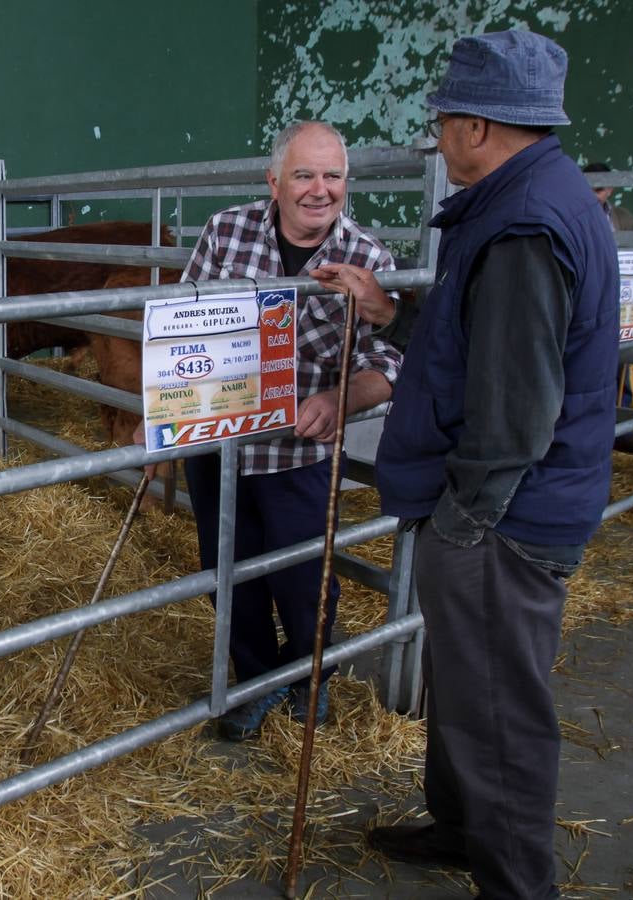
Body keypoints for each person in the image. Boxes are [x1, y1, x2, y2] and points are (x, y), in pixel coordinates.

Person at [366, 31, 619, 899]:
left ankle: (515, 885)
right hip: (510, 505)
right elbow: (472, 349)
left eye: (442, 121)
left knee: (500, 713)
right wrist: (388, 311)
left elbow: (514, 409)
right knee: (465, 684)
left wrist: (461, 524)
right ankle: (461, 828)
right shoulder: (535, 196)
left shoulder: (520, 224)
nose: (437, 138)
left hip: (503, 518)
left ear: (476, 125)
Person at [176, 121, 403, 741]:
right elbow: (181, 324)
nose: (319, 190)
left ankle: (310, 677)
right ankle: (252, 682)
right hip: (217, 442)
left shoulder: (369, 257)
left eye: (333, 176)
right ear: (274, 181)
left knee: (303, 577)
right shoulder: (226, 231)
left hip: (296, 450)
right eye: (304, 175)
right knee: (228, 570)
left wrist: (339, 397)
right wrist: (164, 425)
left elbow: (391, 361)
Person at [583, 160, 633, 454]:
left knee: (620, 362)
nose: (595, 194)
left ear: (610, 189)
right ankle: (588, 433)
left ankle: (621, 430)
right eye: (590, 187)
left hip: (620, 300)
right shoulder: (572, 213)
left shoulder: (622, 218)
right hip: (587, 297)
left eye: (600, 188)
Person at [582, 161, 633, 231]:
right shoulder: (571, 219)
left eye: (599, 190)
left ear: (609, 190)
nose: (593, 196)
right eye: (588, 190)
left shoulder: (625, 218)